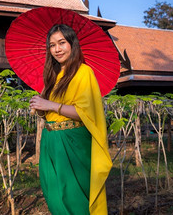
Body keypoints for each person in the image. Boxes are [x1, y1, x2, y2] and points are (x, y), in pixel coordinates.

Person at [29, 24, 112, 215]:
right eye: (52, 45)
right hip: (50, 142)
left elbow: (86, 112)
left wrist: (50, 105)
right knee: (55, 196)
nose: (57, 49)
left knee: (75, 198)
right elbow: (50, 114)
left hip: (74, 141)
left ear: (72, 44)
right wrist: (40, 106)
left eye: (61, 43)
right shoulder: (53, 76)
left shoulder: (84, 72)